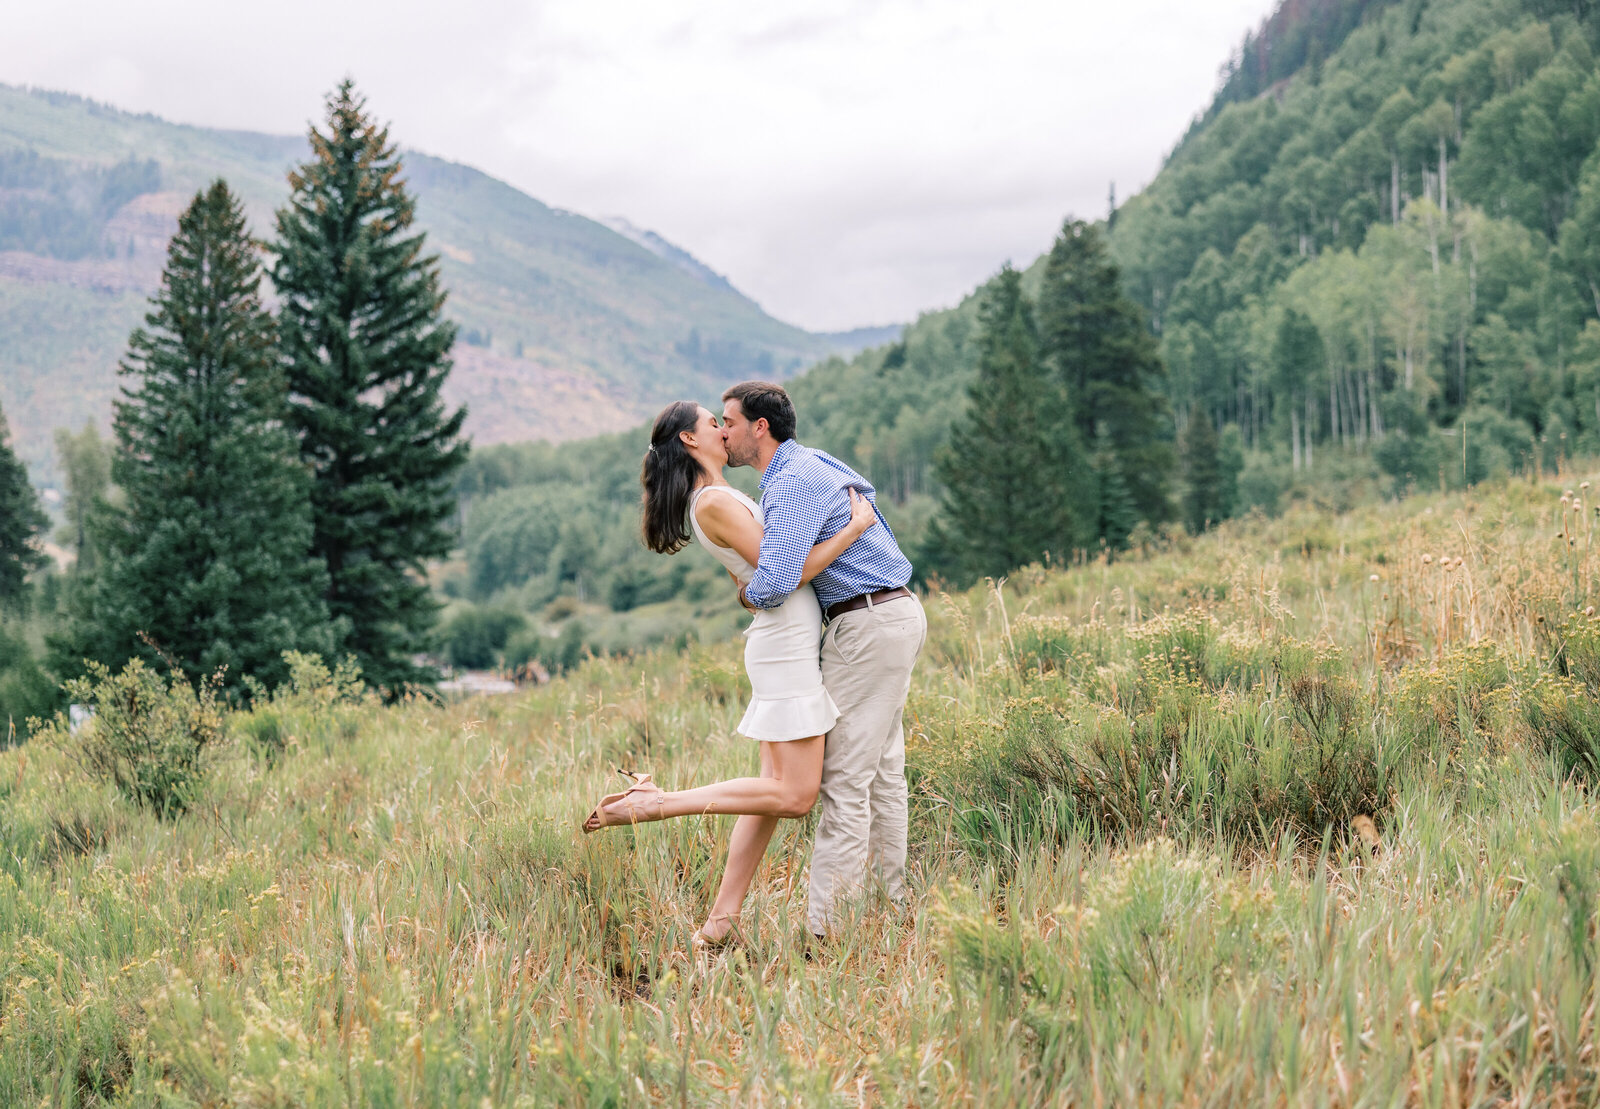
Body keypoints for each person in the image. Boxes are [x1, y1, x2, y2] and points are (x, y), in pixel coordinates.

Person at [582, 399, 878, 950]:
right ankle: (654, 805)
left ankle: (721, 921)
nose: (722, 430)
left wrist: (751, 588)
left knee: (768, 797)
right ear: (691, 441)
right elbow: (786, 574)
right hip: (784, 646)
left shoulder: (716, 498)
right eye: (711, 423)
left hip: (782, 639)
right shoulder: (714, 499)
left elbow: (760, 577)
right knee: (793, 797)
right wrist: (854, 528)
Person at [724, 381, 926, 940]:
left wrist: (748, 593)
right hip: (892, 613)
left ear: (759, 428)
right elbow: (866, 493)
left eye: (729, 422)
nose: (724, 432)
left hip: (865, 624)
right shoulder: (814, 462)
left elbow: (778, 581)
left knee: (843, 780)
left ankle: (827, 932)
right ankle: (893, 906)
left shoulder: (787, 482)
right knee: (883, 770)